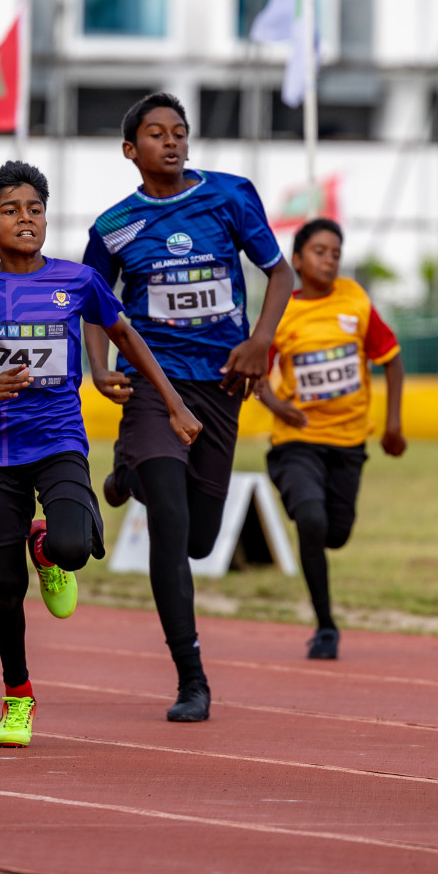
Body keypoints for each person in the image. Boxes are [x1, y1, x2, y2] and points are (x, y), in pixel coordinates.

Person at [0, 160, 201, 748]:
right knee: (5, 585)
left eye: (34, 209)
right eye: (10, 211)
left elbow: (127, 336)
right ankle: (17, 696)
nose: (25, 219)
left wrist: (175, 403)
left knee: (71, 547)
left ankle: (46, 548)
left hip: (57, 439)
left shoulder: (78, 281)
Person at [83, 92, 294, 723]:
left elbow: (278, 275)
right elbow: (93, 300)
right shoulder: (114, 225)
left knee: (202, 540)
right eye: (156, 134)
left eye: (180, 132)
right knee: (172, 530)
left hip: (222, 383)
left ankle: (129, 476)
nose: (171, 142)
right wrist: (99, 368)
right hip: (155, 383)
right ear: (131, 150)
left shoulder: (231, 196)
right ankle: (192, 679)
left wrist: (261, 341)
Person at [255, 218, 405, 660]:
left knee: (335, 534)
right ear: (297, 260)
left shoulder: (355, 300)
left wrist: (394, 425)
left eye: (336, 252)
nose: (330, 259)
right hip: (297, 440)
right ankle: (325, 626)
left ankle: (307, 506)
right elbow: (255, 373)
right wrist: (278, 407)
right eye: (320, 251)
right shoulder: (282, 310)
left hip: (348, 442)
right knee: (312, 520)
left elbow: (392, 361)